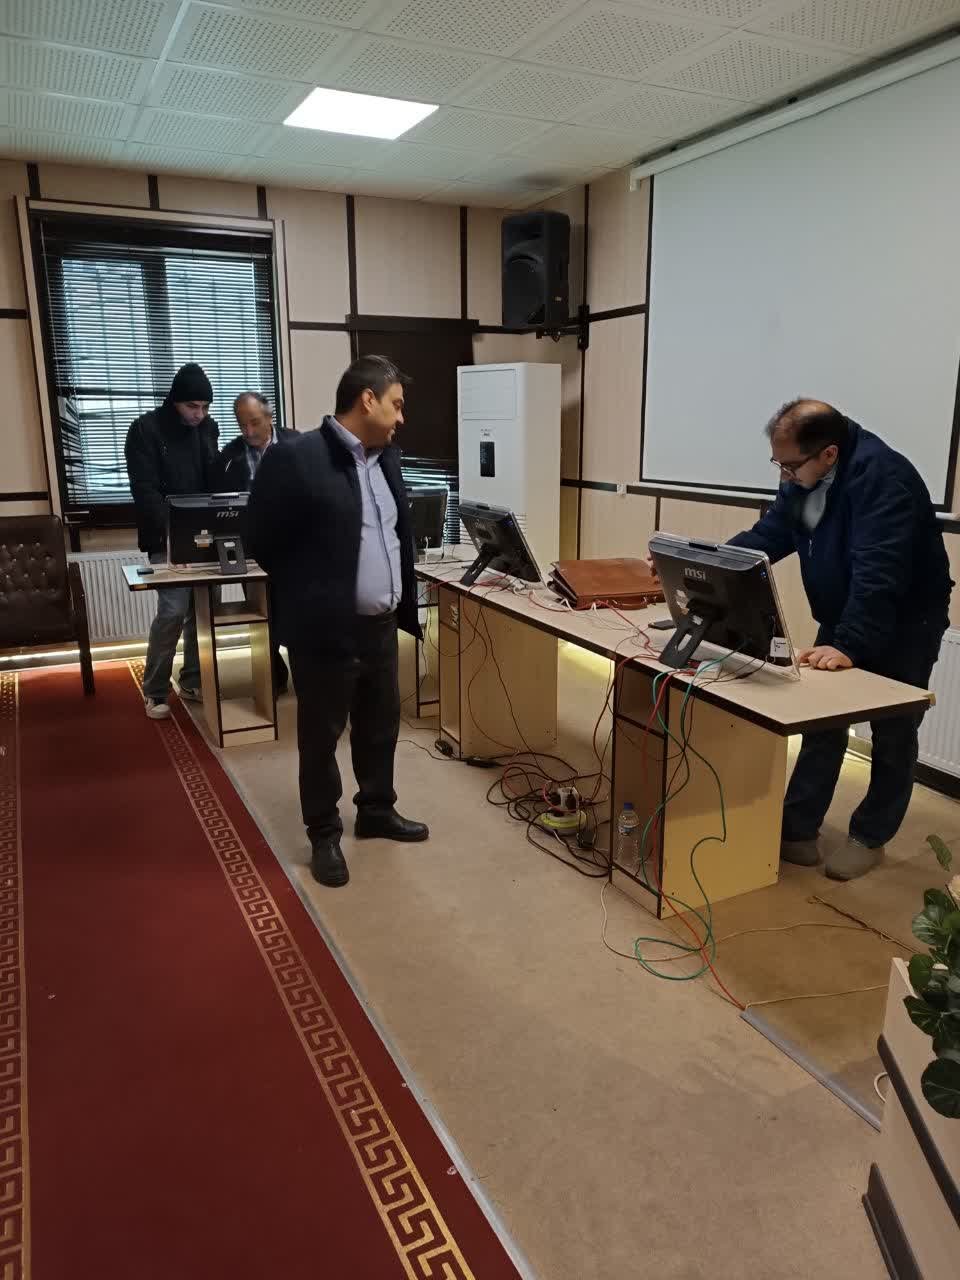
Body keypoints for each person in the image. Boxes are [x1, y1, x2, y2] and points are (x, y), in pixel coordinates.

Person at [727, 398, 952, 880]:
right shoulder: (803, 474)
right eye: (778, 464)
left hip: (907, 622)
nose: (784, 476)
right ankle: (797, 827)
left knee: (894, 732)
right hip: (846, 614)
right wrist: (717, 563)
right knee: (822, 723)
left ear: (829, 454)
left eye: (790, 466)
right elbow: (772, 534)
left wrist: (849, 644)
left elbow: (879, 573)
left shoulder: (883, 478)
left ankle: (870, 837)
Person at [246, 355, 427, 888]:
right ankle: (324, 833)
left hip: (381, 626)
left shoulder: (388, 458)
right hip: (325, 630)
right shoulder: (296, 457)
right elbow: (261, 538)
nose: (401, 417)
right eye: (396, 404)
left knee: (380, 725)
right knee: (321, 737)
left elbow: (392, 534)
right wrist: (312, 591)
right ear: (367, 399)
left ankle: (376, 810)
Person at [125, 363, 220, 720]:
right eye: (192, 406)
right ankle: (154, 689)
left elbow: (213, 481)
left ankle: (194, 679)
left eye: (205, 407)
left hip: (205, 534)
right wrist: (170, 540)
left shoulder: (208, 428)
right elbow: (145, 491)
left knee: (204, 610)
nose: (200, 414)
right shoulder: (145, 429)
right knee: (173, 611)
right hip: (164, 536)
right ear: (175, 401)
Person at [218, 391, 296, 694]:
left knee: (298, 613)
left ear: (269, 416)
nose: (248, 432)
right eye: (242, 425)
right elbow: (220, 508)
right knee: (263, 616)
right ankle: (274, 678)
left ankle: (307, 675)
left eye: (254, 423)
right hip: (252, 549)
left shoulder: (297, 443)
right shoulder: (229, 456)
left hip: (294, 547)